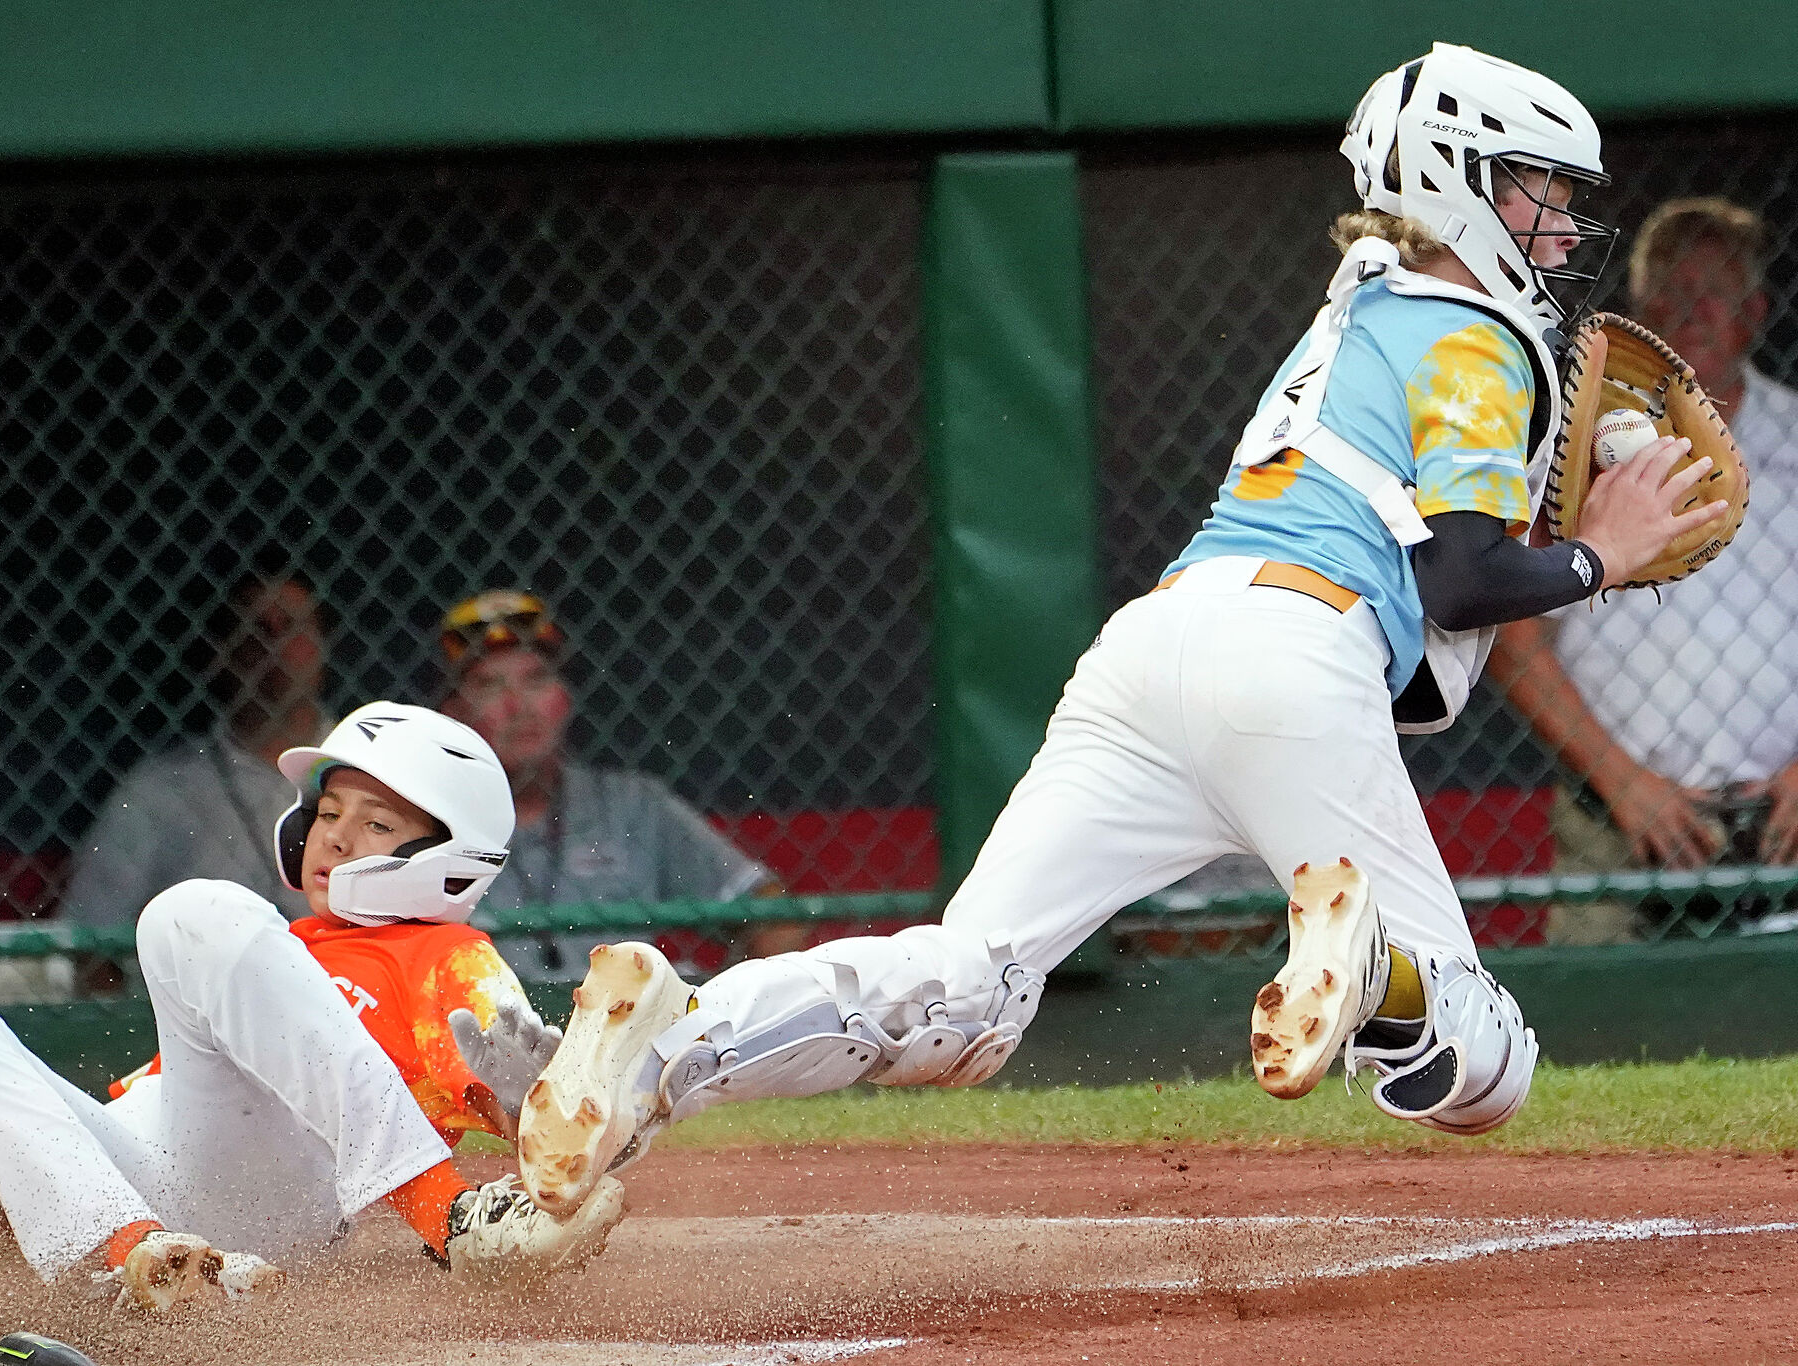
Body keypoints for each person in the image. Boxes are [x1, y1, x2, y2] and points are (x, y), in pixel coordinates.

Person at [501, 43, 1729, 1217]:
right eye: (1535, 192)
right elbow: (1462, 583)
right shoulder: (1473, 334)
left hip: (1156, 647)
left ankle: (667, 1045)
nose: (1559, 225)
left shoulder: (1358, 300)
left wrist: (1561, 504)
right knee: (1483, 1063)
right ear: (1453, 179)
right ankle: (1368, 973)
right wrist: (1595, 554)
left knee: (964, 986)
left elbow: (1441, 532)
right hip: (1294, 660)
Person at [0, 703, 620, 1301]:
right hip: (152, 1192)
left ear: (453, 854)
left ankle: (454, 1222)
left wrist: (524, 1112)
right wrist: (0, 1193)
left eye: (375, 824)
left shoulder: (446, 956)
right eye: (328, 812)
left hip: (278, 1194)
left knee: (192, 911)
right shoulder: (275, 946)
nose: (333, 836)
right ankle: (136, 1261)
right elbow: (143, 1110)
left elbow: (541, 1122)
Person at [1490, 197, 1798, 933]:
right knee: (1597, 1029)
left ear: (1754, 310)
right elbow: (1514, 636)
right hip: (1615, 813)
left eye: (1714, 291)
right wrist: (1621, 782)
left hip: (1787, 813)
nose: (1691, 308)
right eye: (1670, 291)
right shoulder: (1576, 444)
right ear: (1640, 311)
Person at [433, 590, 781, 977]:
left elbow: (775, 912)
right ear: (454, 712)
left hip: (626, 1027)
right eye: (490, 686)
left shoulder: (632, 804)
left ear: (564, 697)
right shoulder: (430, 820)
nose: (518, 705)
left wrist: (724, 1006)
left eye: (537, 679)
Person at [62, 571, 330, 930]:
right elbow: (88, 931)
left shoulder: (367, 770)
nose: (276, 644)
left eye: (291, 626)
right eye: (257, 630)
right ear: (222, 653)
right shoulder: (160, 789)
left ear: (322, 644)